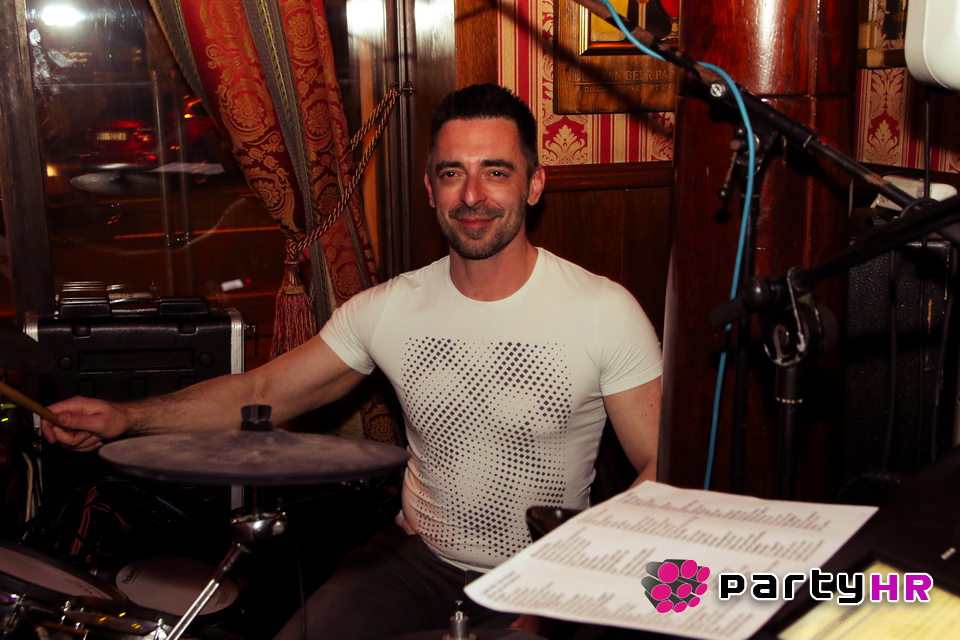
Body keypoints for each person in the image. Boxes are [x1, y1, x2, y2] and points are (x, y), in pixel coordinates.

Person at [42, 84, 662, 639]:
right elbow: (260, 393)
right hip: (416, 562)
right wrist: (126, 418)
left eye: (495, 171)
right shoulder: (387, 310)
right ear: (430, 189)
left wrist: (571, 580)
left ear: (534, 183)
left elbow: (662, 465)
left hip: (550, 571)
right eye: (452, 173)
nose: (472, 195)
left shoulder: (602, 311)